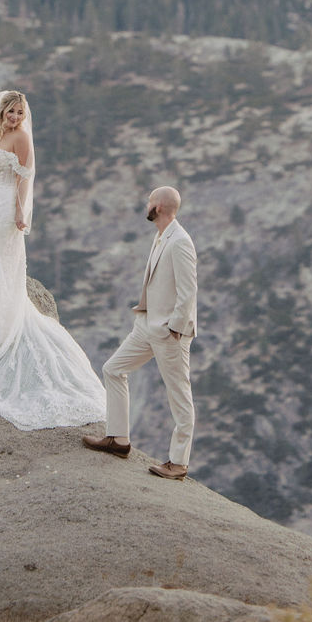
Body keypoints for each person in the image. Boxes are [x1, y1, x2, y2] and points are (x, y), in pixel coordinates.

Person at [0, 90, 106, 430]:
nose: (15, 117)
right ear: (2, 111)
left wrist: (19, 213)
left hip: (8, 210)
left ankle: (3, 318)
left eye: (19, 112)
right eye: (11, 112)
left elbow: (24, 179)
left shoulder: (22, 138)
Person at [82, 185, 197, 480]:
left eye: (149, 201)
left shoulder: (180, 241)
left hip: (168, 332)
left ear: (158, 207)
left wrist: (174, 329)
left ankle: (179, 463)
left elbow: (188, 292)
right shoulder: (161, 236)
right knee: (113, 369)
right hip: (146, 326)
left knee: (179, 396)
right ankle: (118, 440)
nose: (146, 204)